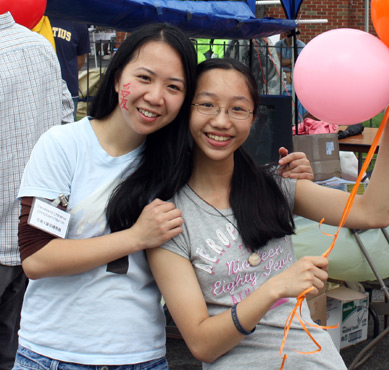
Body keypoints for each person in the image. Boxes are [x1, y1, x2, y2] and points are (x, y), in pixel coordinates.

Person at [14, 23, 311, 370]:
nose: (156, 97)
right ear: (116, 77)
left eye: (173, 87)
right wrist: (135, 237)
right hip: (51, 355)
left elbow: (229, 171)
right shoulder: (62, 145)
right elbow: (37, 257)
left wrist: (288, 174)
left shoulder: (176, 162)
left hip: (141, 357)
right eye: (144, 78)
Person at [146, 58, 389, 369]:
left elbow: (374, 212)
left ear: (253, 118)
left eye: (237, 109)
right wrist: (274, 288)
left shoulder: (277, 185)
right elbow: (203, 345)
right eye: (207, 105)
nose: (221, 121)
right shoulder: (167, 219)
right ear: (186, 111)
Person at [0, 10, 73, 370]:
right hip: (40, 235)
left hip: (15, 236)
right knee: (18, 349)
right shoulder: (40, 46)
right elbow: (65, 120)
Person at [50, 17, 91, 119]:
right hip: (42, 90)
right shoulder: (40, 20)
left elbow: (80, 59)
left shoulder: (78, 23)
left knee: (67, 131)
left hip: (69, 91)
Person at [275, 30, 307, 118]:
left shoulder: (301, 45)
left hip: (295, 73)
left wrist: (285, 62)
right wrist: (293, 61)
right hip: (282, 73)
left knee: (298, 93)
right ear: (285, 34)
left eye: (297, 34)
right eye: (292, 34)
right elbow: (277, 62)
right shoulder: (278, 44)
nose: (295, 37)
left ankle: (297, 117)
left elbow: (300, 63)